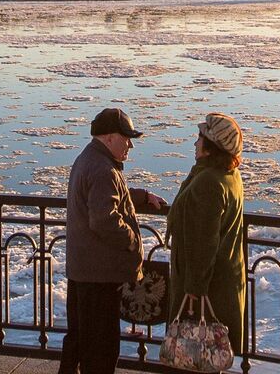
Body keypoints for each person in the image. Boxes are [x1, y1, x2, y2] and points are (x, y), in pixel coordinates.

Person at [62, 107, 167, 374]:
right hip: (98, 276)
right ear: (109, 137)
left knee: (78, 342)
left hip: (84, 270)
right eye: (126, 137)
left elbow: (107, 196)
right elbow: (104, 219)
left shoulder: (91, 159)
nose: (130, 144)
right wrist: (133, 241)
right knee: (101, 350)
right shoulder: (102, 168)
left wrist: (142, 196)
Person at [165, 112, 247, 358]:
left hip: (206, 289)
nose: (195, 143)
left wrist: (194, 289)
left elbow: (204, 241)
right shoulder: (228, 176)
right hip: (225, 279)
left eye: (200, 138)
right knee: (209, 358)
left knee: (194, 353)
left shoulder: (209, 183)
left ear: (211, 147)